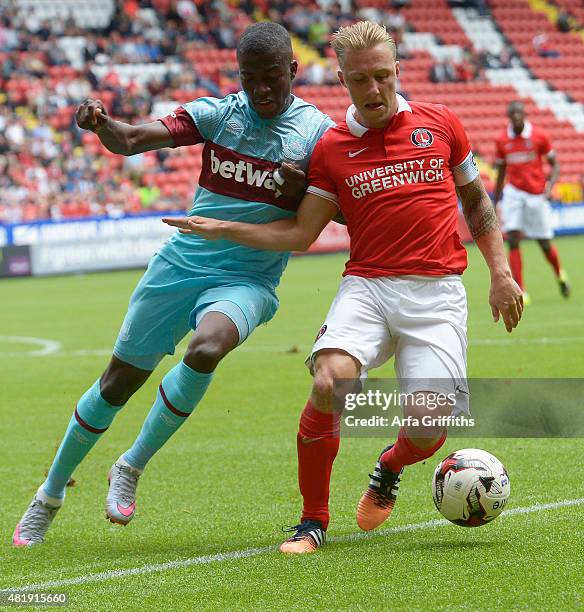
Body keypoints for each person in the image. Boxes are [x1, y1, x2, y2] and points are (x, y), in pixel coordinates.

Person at [164, 21, 523, 554]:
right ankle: (312, 521)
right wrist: (222, 227)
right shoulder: (331, 148)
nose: (374, 89)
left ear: (398, 71)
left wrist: (500, 272)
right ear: (341, 80)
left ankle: (389, 464)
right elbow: (301, 232)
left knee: (427, 429)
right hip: (368, 288)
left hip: (437, 293)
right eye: (360, 80)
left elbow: (475, 202)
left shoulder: (442, 124)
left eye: (383, 76)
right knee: (330, 383)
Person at [13, 22, 333, 547]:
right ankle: (48, 495)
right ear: (240, 76)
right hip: (180, 265)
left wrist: (302, 190)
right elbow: (133, 139)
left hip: (248, 277)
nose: (263, 90)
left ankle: (132, 464)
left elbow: (331, 214)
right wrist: (101, 123)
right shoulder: (218, 114)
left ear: (293, 71)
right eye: (251, 79)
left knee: (207, 348)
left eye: (273, 77)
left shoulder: (317, 134)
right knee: (116, 384)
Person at [493, 101, 570, 302]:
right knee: (513, 239)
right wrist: (496, 201)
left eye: (519, 113)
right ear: (509, 117)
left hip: (536, 195)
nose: (516, 117)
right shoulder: (502, 140)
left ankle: (560, 275)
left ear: (524, 115)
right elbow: (501, 172)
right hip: (514, 194)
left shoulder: (539, 135)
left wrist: (549, 187)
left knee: (544, 243)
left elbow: (555, 165)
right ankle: (520, 290)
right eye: (513, 114)